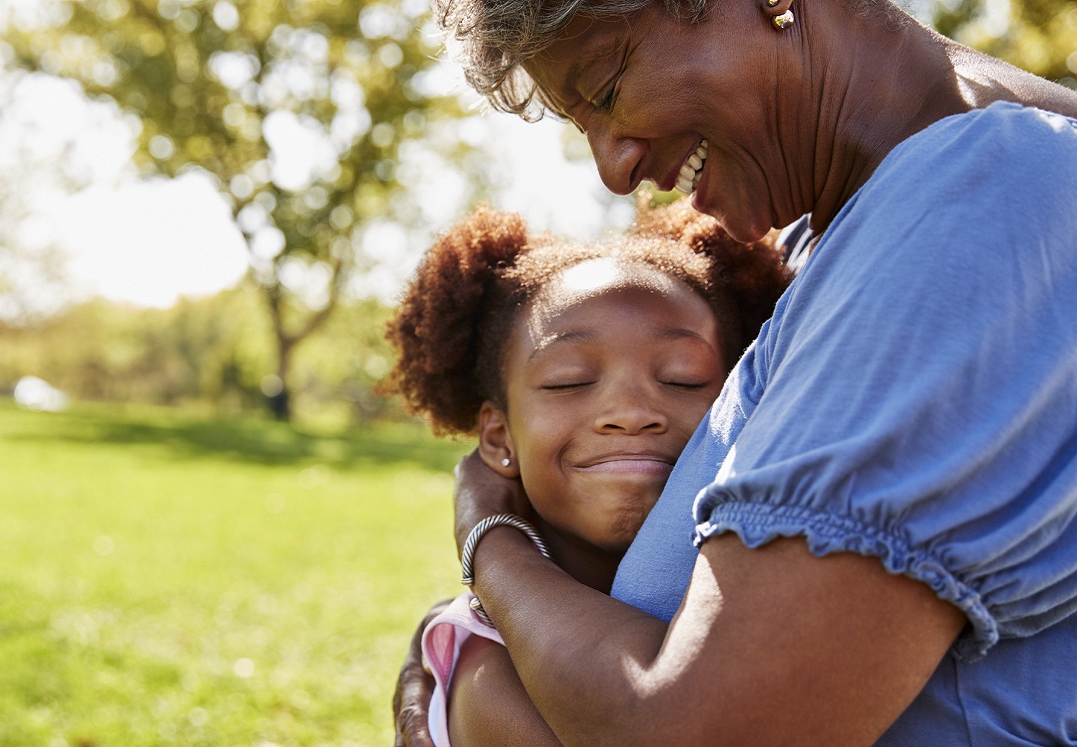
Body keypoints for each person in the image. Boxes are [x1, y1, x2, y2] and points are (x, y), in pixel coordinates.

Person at [393, 0, 1077, 744]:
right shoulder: (815, 240)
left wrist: (487, 541)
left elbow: (696, 727)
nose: (615, 170)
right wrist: (458, 640)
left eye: (609, 86)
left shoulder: (982, 205)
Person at [385, 200, 789, 746]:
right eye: (569, 381)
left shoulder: (769, 589)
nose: (630, 410)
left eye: (684, 378)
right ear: (499, 438)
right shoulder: (492, 672)